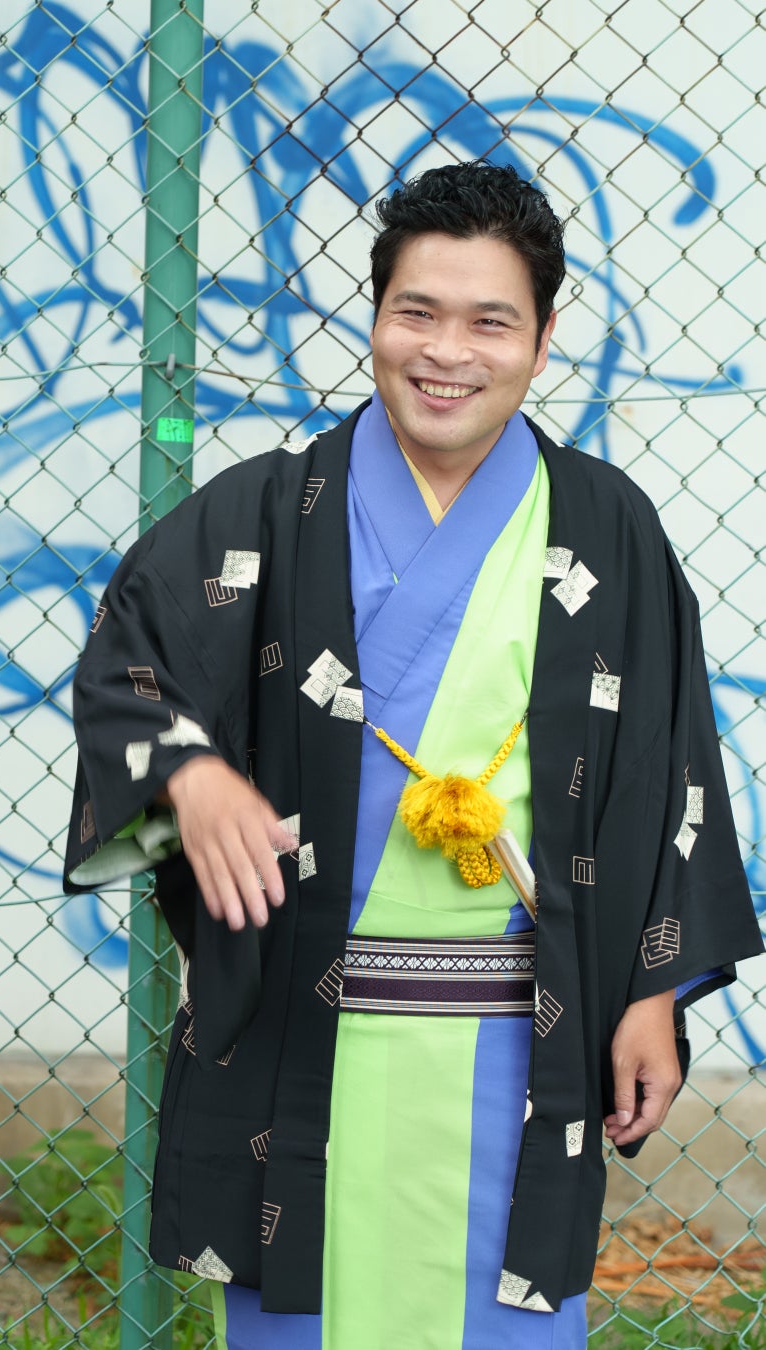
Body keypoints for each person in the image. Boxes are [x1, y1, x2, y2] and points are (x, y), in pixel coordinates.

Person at [63, 162, 763, 1349]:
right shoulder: (263, 511)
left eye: (488, 321)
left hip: (521, 1041)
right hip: (303, 1035)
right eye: (415, 313)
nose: (445, 352)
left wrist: (649, 989)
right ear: (374, 318)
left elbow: (664, 769)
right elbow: (127, 665)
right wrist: (190, 773)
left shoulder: (607, 528)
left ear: (540, 339)